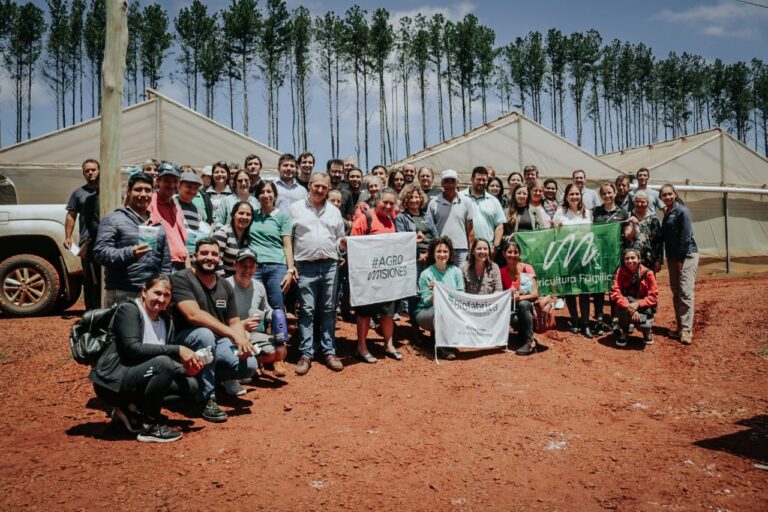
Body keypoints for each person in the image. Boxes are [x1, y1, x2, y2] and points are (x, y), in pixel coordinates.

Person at [90, 274, 201, 442]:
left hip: (138, 376)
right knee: (163, 363)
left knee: (190, 385)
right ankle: (149, 426)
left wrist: (187, 369)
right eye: (157, 293)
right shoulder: (129, 310)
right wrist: (177, 349)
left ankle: (132, 410)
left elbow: (163, 359)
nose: (161, 299)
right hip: (112, 381)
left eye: (166, 295)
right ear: (144, 291)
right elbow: (132, 349)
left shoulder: (166, 320)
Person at [172, 238, 259, 420]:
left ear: (219, 258)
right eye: (204, 253)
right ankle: (206, 398)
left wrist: (242, 340)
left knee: (249, 365)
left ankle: (203, 379)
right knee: (205, 335)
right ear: (195, 256)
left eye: (213, 254)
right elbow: (193, 315)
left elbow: (234, 320)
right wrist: (233, 335)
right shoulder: (182, 278)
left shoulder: (224, 284)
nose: (209, 257)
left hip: (217, 342)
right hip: (187, 341)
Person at [288, 173, 347, 375]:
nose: (320, 190)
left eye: (324, 187)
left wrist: (343, 245)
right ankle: (306, 353)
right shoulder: (295, 209)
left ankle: (329, 351)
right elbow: (288, 238)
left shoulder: (334, 211)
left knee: (329, 309)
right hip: (305, 266)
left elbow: (340, 237)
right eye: (316, 186)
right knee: (307, 310)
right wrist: (291, 265)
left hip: (330, 266)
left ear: (328, 188)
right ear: (309, 186)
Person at [93, 172, 171, 306]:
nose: (143, 194)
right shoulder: (113, 220)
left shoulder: (157, 224)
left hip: (151, 294)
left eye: (147, 190)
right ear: (128, 191)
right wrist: (130, 253)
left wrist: (163, 286)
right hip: (122, 293)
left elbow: (165, 262)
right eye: (138, 189)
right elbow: (100, 253)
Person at [350, 189, 401, 363]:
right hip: (367, 277)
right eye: (384, 202)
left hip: (386, 277)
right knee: (365, 313)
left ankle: (389, 344)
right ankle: (361, 347)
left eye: (391, 203)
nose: (388, 206)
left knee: (388, 312)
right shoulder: (365, 219)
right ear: (376, 201)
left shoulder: (390, 221)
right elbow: (353, 246)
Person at [227, 248, 289, 377]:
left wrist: (278, 318)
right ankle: (242, 368)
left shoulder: (258, 286)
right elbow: (216, 319)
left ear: (256, 267)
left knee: (280, 351)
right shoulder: (225, 286)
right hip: (230, 337)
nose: (247, 270)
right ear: (235, 265)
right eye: (243, 266)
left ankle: (253, 362)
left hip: (253, 336)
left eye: (251, 266)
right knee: (242, 367)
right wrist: (242, 326)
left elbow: (265, 310)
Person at [552, 183, 594, 338]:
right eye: (572, 194)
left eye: (577, 194)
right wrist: (555, 226)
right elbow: (555, 235)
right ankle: (574, 321)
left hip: (584, 256)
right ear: (566, 196)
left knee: (584, 289)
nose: (575, 197)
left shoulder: (587, 213)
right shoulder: (560, 212)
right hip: (567, 256)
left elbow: (591, 233)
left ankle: (585, 323)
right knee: (569, 288)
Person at [413, 236, 464, 360]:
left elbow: (460, 295)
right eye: (439, 251)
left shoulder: (456, 272)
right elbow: (425, 301)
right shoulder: (426, 274)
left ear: (450, 253)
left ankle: (445, 339)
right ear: (433, 254)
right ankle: (442, 346)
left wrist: (442, 290)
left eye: (445, 251)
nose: (442, 254)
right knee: (441, 310)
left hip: (451, 310)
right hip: (427, 312)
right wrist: (436, 294)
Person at [660, 183, 699, 345]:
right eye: (664, 195)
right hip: (672, 257)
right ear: (661, 198)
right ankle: (680, 327)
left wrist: (680, 260)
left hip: (686, 256)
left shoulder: (682, 210)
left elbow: (686, 235)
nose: (667, 197)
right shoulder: (667, 211)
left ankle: (687, 331)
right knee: (676, 291)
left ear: (675, 194)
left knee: (685, 292)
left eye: (670, 194)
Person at [249, 180, 296, 311]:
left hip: (277, 267)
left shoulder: (283, 216)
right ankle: (259, 331)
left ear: (275, 195)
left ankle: (280, 331)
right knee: (254, 306)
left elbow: (287, 245)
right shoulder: (252, 215)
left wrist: (290, 270)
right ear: (257, 196)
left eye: (269, 191)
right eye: (262, 192)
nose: (266, 195)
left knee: (277, 306)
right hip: (254, 267)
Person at [591, 182, 630, 335]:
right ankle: (599, 318)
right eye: (604, 193)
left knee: (614, 286)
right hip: (599, 255)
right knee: (600, 286)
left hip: (615, 255)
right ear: (601, 196)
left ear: (614, 193)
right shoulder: (596, 212)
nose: (607, 196)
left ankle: (615, 318)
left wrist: (632, 225)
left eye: (609, 192)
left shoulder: (622, 213)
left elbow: (627, 234)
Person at [64, 158, 101, 310]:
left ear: (99, 171)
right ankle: (91, 310)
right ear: (83, 173)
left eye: (93, 169)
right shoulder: (78, 193)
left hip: (108, 239)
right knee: (90, 278)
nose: (91, 172)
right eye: (87, 170)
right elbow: (71, 215)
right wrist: (67, 236)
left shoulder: (111, 190)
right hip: (88, 241)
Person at [395, 184, 434, 317]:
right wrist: (419, 255)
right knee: (414, 290)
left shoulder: (427, 216)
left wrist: (430, 253)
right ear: (406, 199)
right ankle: (414, 322)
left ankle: (428, 319)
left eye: (417, 197)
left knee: (430, 288)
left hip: (430, 257)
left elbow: (436, 235)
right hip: (414, 258)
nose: (414, 200)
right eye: (411, 197)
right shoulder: (401, 218)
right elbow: (401, 239)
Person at [609, 247, 658, 347]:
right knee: (621, 309)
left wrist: (637, 304)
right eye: (627, 258)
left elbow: (653, 297)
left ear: (639, 259)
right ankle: (625, 332)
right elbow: (615, 292)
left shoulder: (648, 273)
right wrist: (629, 307)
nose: (630, 261)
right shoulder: (620, 272)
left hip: (643, 307)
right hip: (627, 306)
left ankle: (646, 331)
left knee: (644, 324)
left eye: (633, 258)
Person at [426, 169, 475, 268]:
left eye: (452, 181)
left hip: (462, 249)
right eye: (446, 181)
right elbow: (429, 228)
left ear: (457, 183)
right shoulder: (433, 203)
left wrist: (471, 250)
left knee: (461, 279)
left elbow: (470, 230)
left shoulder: (466, 202)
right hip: (442, 249)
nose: (449, 184)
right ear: (442, 184)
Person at [499, 241, 540, 355]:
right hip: (512, 308)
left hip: (528, 307)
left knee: (523, 305)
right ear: (504, 254)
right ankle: (523, 333)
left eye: (515, 252)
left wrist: (519, 298)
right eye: (509, 252)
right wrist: (508, 294)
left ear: (519, 254)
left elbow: (535, 293)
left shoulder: (527, 268)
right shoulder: (502, 272)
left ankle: (530, 342)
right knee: (512, 317)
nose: (512, 255)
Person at [149, 163, 189, 272]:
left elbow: (182, 241)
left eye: (175, 181)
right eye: (167, 180)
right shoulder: (151, 202)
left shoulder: (176, 206)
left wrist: (188, 268)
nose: (171, 185)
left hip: (180, 264)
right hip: (163, 264)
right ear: (158, 181)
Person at [623, 191, 663, 273]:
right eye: (637, 201)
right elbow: (627, 236)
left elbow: (659, 242)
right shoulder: (628, 217)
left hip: (649, 260)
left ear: (648, 203)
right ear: (634, 202)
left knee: (648, 284)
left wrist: (659, 260)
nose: (640, 204)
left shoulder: (654, 220)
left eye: (643, 202)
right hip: (630, 260)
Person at [213, 201, 253, 277]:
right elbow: (216, 260)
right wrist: (224, 282)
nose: (244, 217)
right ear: (233, 215)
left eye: (248, 214)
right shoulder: (223, 233)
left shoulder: (249, 236)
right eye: (241, 213)